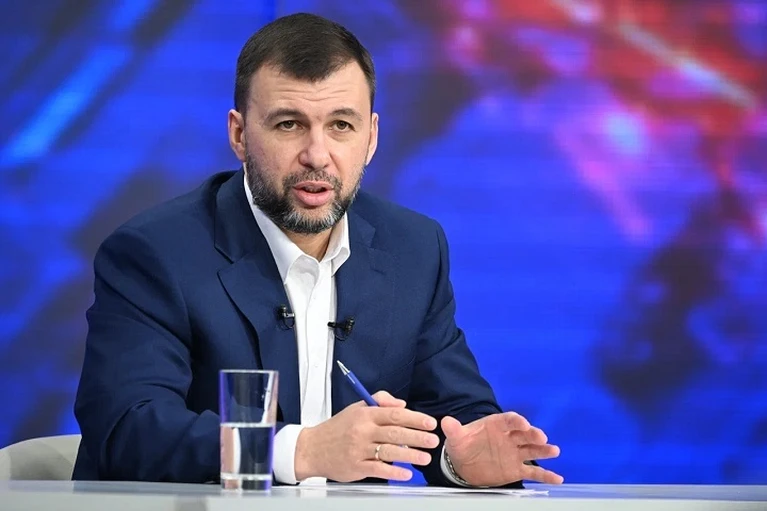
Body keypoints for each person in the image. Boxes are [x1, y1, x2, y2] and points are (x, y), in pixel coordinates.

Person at [72, 12, 564, 487]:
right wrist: (301, 451)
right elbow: (127, 429)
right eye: (289, 124)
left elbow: (454, 416)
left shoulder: (413, 249)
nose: (317, 155)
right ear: (239, 135)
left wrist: (462, 461)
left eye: (341, 126)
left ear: (371, 137)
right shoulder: (154, 253)